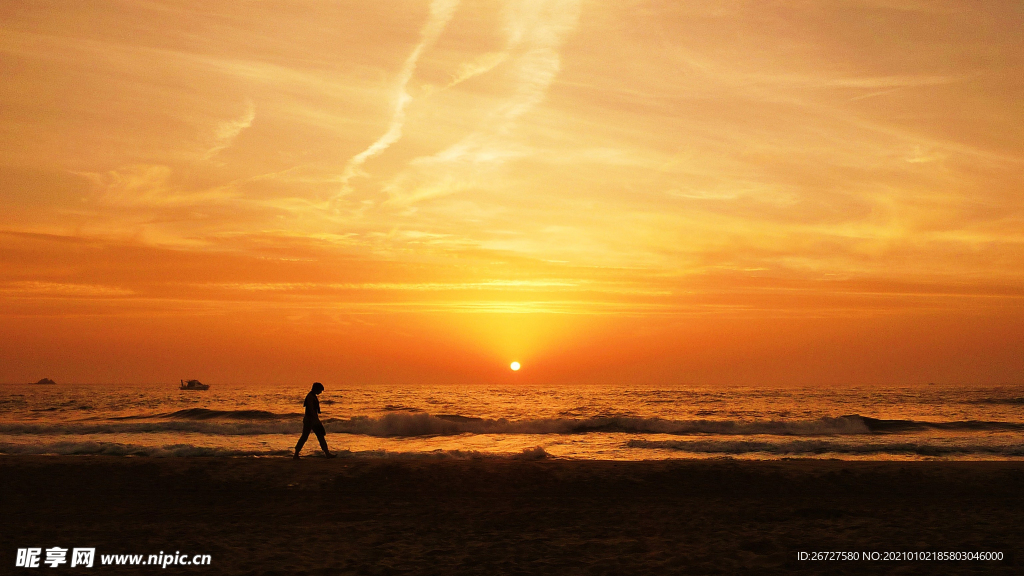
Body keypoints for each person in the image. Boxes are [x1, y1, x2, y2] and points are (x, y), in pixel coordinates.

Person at [294, 382, 335, 459]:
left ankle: (327, 453)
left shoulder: (312, 396)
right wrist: (317, 420)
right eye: (320, 390)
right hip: (310, 420)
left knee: (314, 436)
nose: (320, 392)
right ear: (316, 389)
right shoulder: (310, 397)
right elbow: (311, 409)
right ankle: (327, 453)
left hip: (310, 419)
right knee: (315, 436)